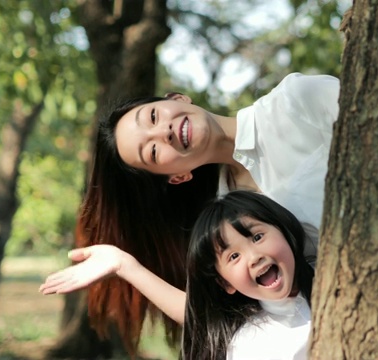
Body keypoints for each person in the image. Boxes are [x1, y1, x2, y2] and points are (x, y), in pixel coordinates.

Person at [39, 72, 338, 352]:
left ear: (178, 98)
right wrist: (124, 265)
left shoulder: (299, 100)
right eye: (153, 152)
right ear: (177, 176)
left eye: (153, 116)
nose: (163, 133)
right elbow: (219, 316)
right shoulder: (226, 228)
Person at [182, 190, 315, 360]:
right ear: (225, 283)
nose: (254, 257)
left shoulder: (338, 275)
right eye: (234, 256)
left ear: (284, 230)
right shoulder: (248, 347)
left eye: (258, 237)